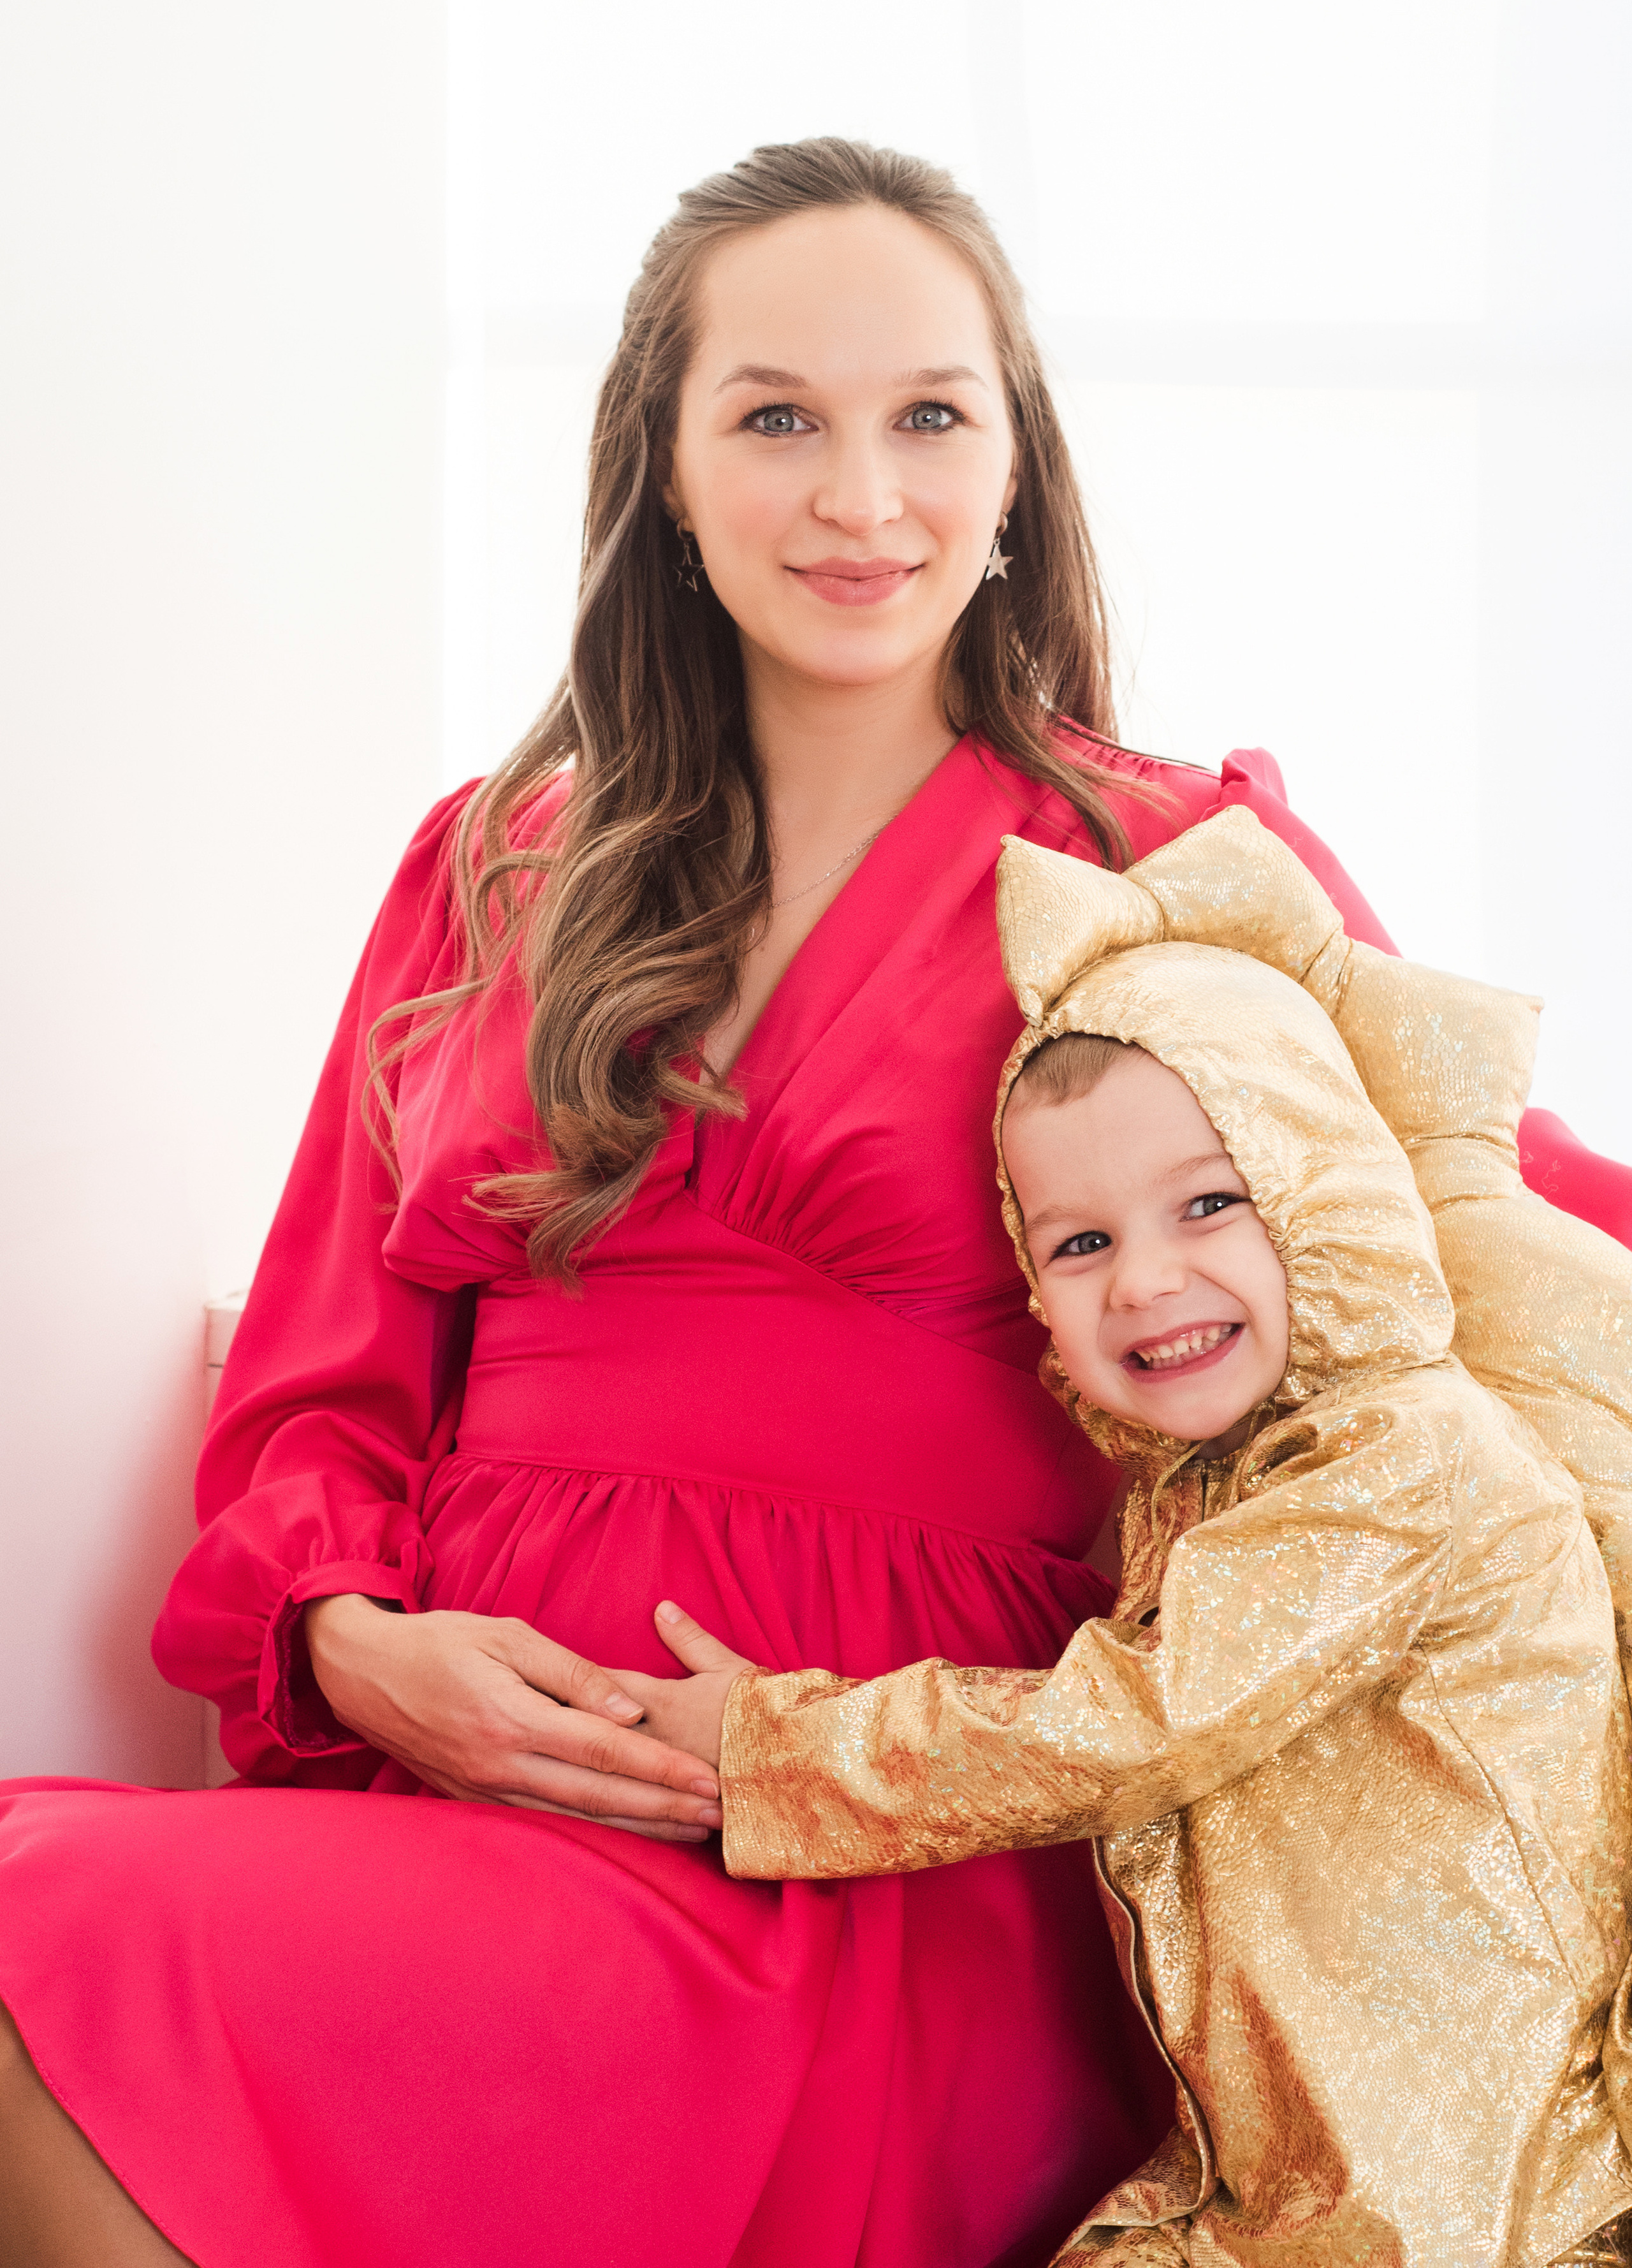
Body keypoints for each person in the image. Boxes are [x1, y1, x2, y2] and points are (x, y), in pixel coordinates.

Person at [0, 138, 1628, 2268]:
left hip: (879, 1851)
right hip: (469, 1805)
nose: (862, 497)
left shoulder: (1179, 871)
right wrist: (349, 1640)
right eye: (777, 417)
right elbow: (325, 1387)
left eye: (929, 416)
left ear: (1017, 463)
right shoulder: (488, 866)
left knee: (46, 1926)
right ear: (666, 471)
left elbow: (1489, 1236)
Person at [631, 810, 1632, 2267]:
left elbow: (1133, 1722)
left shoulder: (1403, 1459)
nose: (1146, 1282)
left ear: (1325, 1199)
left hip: (1474, 2204)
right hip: (1286, 2179)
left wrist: (772, 1746)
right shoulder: (1211, 1483)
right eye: (1078, 1243)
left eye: (1212, 1205)